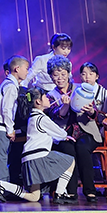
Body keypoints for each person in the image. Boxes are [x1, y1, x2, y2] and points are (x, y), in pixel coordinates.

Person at [20, 86, 76, 204]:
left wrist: (61, 137)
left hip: (28, 159)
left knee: (34, 197)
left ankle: (4, 186)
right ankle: (59, 193)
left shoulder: (32, 117)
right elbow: (59, 132)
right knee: (70, 162)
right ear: (38, 101)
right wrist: (65, 136)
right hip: (39, 156)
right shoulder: (42, 118)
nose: (48, 99)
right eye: (45, 97)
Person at [0, 55, 30, 202]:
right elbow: (7, 109)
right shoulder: (11, 86)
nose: (27, 71)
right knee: (0, 159)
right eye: (26, 68)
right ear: (17, 69)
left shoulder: (9, 83)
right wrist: (10, 129)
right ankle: (4, 189)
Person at [71, 62, 107, 202]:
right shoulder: (76, 90)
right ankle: (71, 190)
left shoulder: (103, 92)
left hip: (96, 130)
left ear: (97, 76)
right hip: (77, 130)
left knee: (83, 147)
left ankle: (91, 189)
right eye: (83, 74)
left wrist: (94, 113)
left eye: (91, 74)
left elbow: (106, 115)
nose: (87, 77)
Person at [45, 55, 79, 199]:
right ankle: (69, 191)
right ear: (51, 77)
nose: (60, 78)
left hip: (81, 131)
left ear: (69, 74)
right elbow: (57, 116)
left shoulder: (78, 89)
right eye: (56, 75)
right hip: (61, 134)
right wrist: (65, 105)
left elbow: (93, 111)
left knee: (81, 148)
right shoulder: (50, 95)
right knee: (68, 150)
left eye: (63, 74)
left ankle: (87, 190)